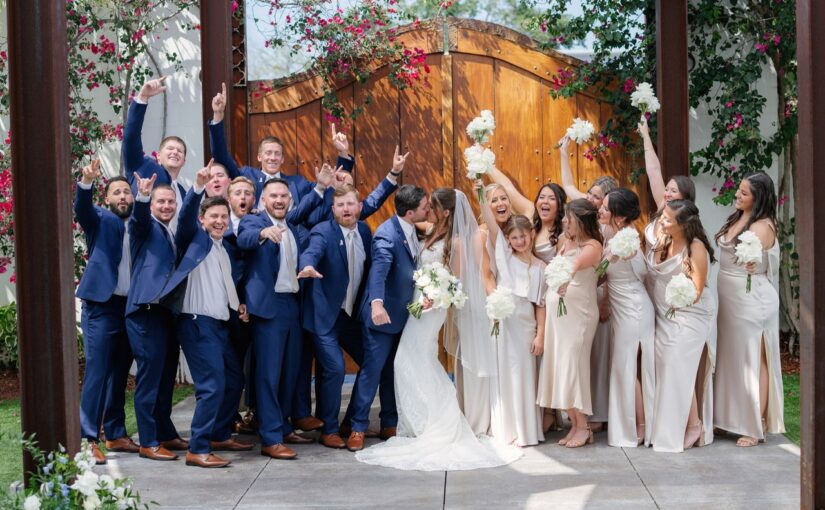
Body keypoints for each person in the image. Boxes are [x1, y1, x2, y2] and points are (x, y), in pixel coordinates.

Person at [354, 188, 521, 470]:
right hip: (419, 305)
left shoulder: (457, 240)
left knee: (408, 358)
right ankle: (423, 419)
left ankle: (436, 419)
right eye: (425, 205)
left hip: (433, 307)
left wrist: (435, 296)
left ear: (445, 211)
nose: (427, 209)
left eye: (432, 206)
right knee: (415, 359)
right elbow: (405, 220)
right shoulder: (432, 229)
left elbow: (455, 281)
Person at [158, 163, 253, 468]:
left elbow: (225, 281)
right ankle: (197, 448)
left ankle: (219, 433)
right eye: (214, 216)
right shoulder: (194, 239)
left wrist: (237, 304)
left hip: (219, 324)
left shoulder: (221, 247)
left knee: (234, 378)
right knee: (211, 384)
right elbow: (184, 219)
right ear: (203, 219)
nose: (220, 221)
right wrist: (198, 187)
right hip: (196, 323)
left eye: (224, 217)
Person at [235, 172, 329, 460]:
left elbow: (308, 214)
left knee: (291, 372)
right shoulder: (254, 221)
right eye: (273, 196)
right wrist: (263, 234)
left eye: (283, 197)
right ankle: (271, 437)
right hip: (268, 308)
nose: (278, 200)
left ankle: (285, 425)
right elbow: (244, 238)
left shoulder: (293, 225)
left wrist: (322, 187)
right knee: (268, 375)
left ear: (290, 200)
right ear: (263, 200)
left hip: (292, 305)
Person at [345, 185, 431, 452]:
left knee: (392, 372)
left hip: (404, 316)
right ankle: (357, 427)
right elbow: (379, 273)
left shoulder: (411, 230)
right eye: (425, 206)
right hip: (381, 318)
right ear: (409, 212)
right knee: (371, 372)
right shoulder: (386, 235)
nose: (428, 210)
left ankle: (389, 423)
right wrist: (377, 304)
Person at [297, 185, 373, 449]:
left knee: (371, 362)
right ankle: (328, 428)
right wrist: (307, 265)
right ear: (333, 209)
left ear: (359, 207)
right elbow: (312, 251)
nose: (346, 209)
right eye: (340, 205)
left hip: (351, 316)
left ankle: (350, 422)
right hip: (324, 316)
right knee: (335, 368)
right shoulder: (323, 232)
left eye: (350, 204)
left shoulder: (364, 230)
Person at [74, 160, 139, 463]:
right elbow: (82, 211)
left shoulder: (141, 224)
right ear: (108, 199)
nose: (124, 197)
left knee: (119, 373)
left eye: (127, 192)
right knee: (98, 372)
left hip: (130, 308)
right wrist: (86, 181)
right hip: (101, 307)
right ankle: (88, 438)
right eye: (117, 193)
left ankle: (114, 433)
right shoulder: (99, 219)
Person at [714, 172, 785, 446]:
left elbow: (757, 260)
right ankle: (728, 417)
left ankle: (756, 424)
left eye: (744, 193)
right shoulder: (738, 217)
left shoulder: (762, 226)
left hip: (751, 299)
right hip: (731, 300)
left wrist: (758, 262)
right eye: (739, 190)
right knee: (732, 358)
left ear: (759, 197)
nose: (737, 196)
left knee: (754, 359)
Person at [646, 199, 717, 452]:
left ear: (683, 224)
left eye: (667, 219)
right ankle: (686, 422)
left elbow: (696, 292)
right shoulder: (663, 240)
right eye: (663, 216)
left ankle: (694, 424)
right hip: (667, 313)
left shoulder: (696, 247)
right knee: (667, 364)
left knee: (677, 361)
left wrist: (675, 301)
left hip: (693, 312)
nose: (661, 221)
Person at [209, 82, 353, 207]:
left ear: (283, 159)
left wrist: (343, 153)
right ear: (259, 157)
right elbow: (220, 155)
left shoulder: (297, 183)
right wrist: (218, 114)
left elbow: (332, 184)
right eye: (268, 153)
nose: (273, 157)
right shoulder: (247, 175)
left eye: (277, 154)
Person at [125, 174, 187, 461]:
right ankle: (148, 442)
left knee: (165, 378)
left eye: (170, 201)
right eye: (160, 201)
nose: (166, 205)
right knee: (150, 378)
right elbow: (136, 220)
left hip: (165, 313)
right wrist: (141, 196)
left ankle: (164, 432)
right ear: (151, 205)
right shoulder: (144, 227)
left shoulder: (169, 232)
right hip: (145, 312)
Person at [559, 135, 616, 431]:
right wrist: (564, 153)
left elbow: (608, 269)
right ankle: (585, 416)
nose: (591, 199)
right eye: (591, 195)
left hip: (599, 296)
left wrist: (604, 299)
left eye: (597, 197)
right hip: (581, 294)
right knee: (584, 359)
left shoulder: (605, 229)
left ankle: (597, 415)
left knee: (598, 357)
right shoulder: (583, 222)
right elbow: (568, 186)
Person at [537, 199, 603, 449]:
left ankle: (584, 426)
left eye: (569, 218)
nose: (564, 221)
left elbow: (573, 267)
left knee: (573, 367)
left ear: (582, 221)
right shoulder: (566, 242)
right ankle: (573, 423)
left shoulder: (592, 246)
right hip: (560, 318)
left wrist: (564, 280)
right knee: (560, 367)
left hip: (579, 316)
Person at [483, 213, 547, 447]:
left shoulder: (541, 266)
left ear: (531, 234)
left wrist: (541, 334)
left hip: (525, 323)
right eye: (514, 237)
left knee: (524, 374)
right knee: (504, 373)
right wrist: (480, 186)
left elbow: (540, 304)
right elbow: (491, 225)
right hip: (503, 320)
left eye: (523, 236)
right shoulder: (506, 258)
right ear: (507, 240)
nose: (520, 241)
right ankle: (505, 428)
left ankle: (525, 429)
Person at [598, 188, 655, 447]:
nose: (600, 209)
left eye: (606, 207)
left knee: (628, 368)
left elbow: (601, 270)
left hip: (633, 310)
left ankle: (640, 426)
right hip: (624, 309)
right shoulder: (619, 234)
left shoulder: (627, 241)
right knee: (625, 368)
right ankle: (637, 422)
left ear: (619, 217)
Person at [123, 77, 188, 231]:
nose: (175, 152)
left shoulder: (183, 192)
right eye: (170, 148)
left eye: (179, 151)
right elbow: (131, 137)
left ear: (184, 161)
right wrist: (143, 98)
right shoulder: (142, 165)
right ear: (158, 156)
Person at [637, 118, 696, 250]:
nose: (667, 194)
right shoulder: (662, 205)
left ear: (685, 196)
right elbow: (654, 172)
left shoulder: (686, 222)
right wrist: (645, 134)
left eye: (673, 191)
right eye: (667, 189)